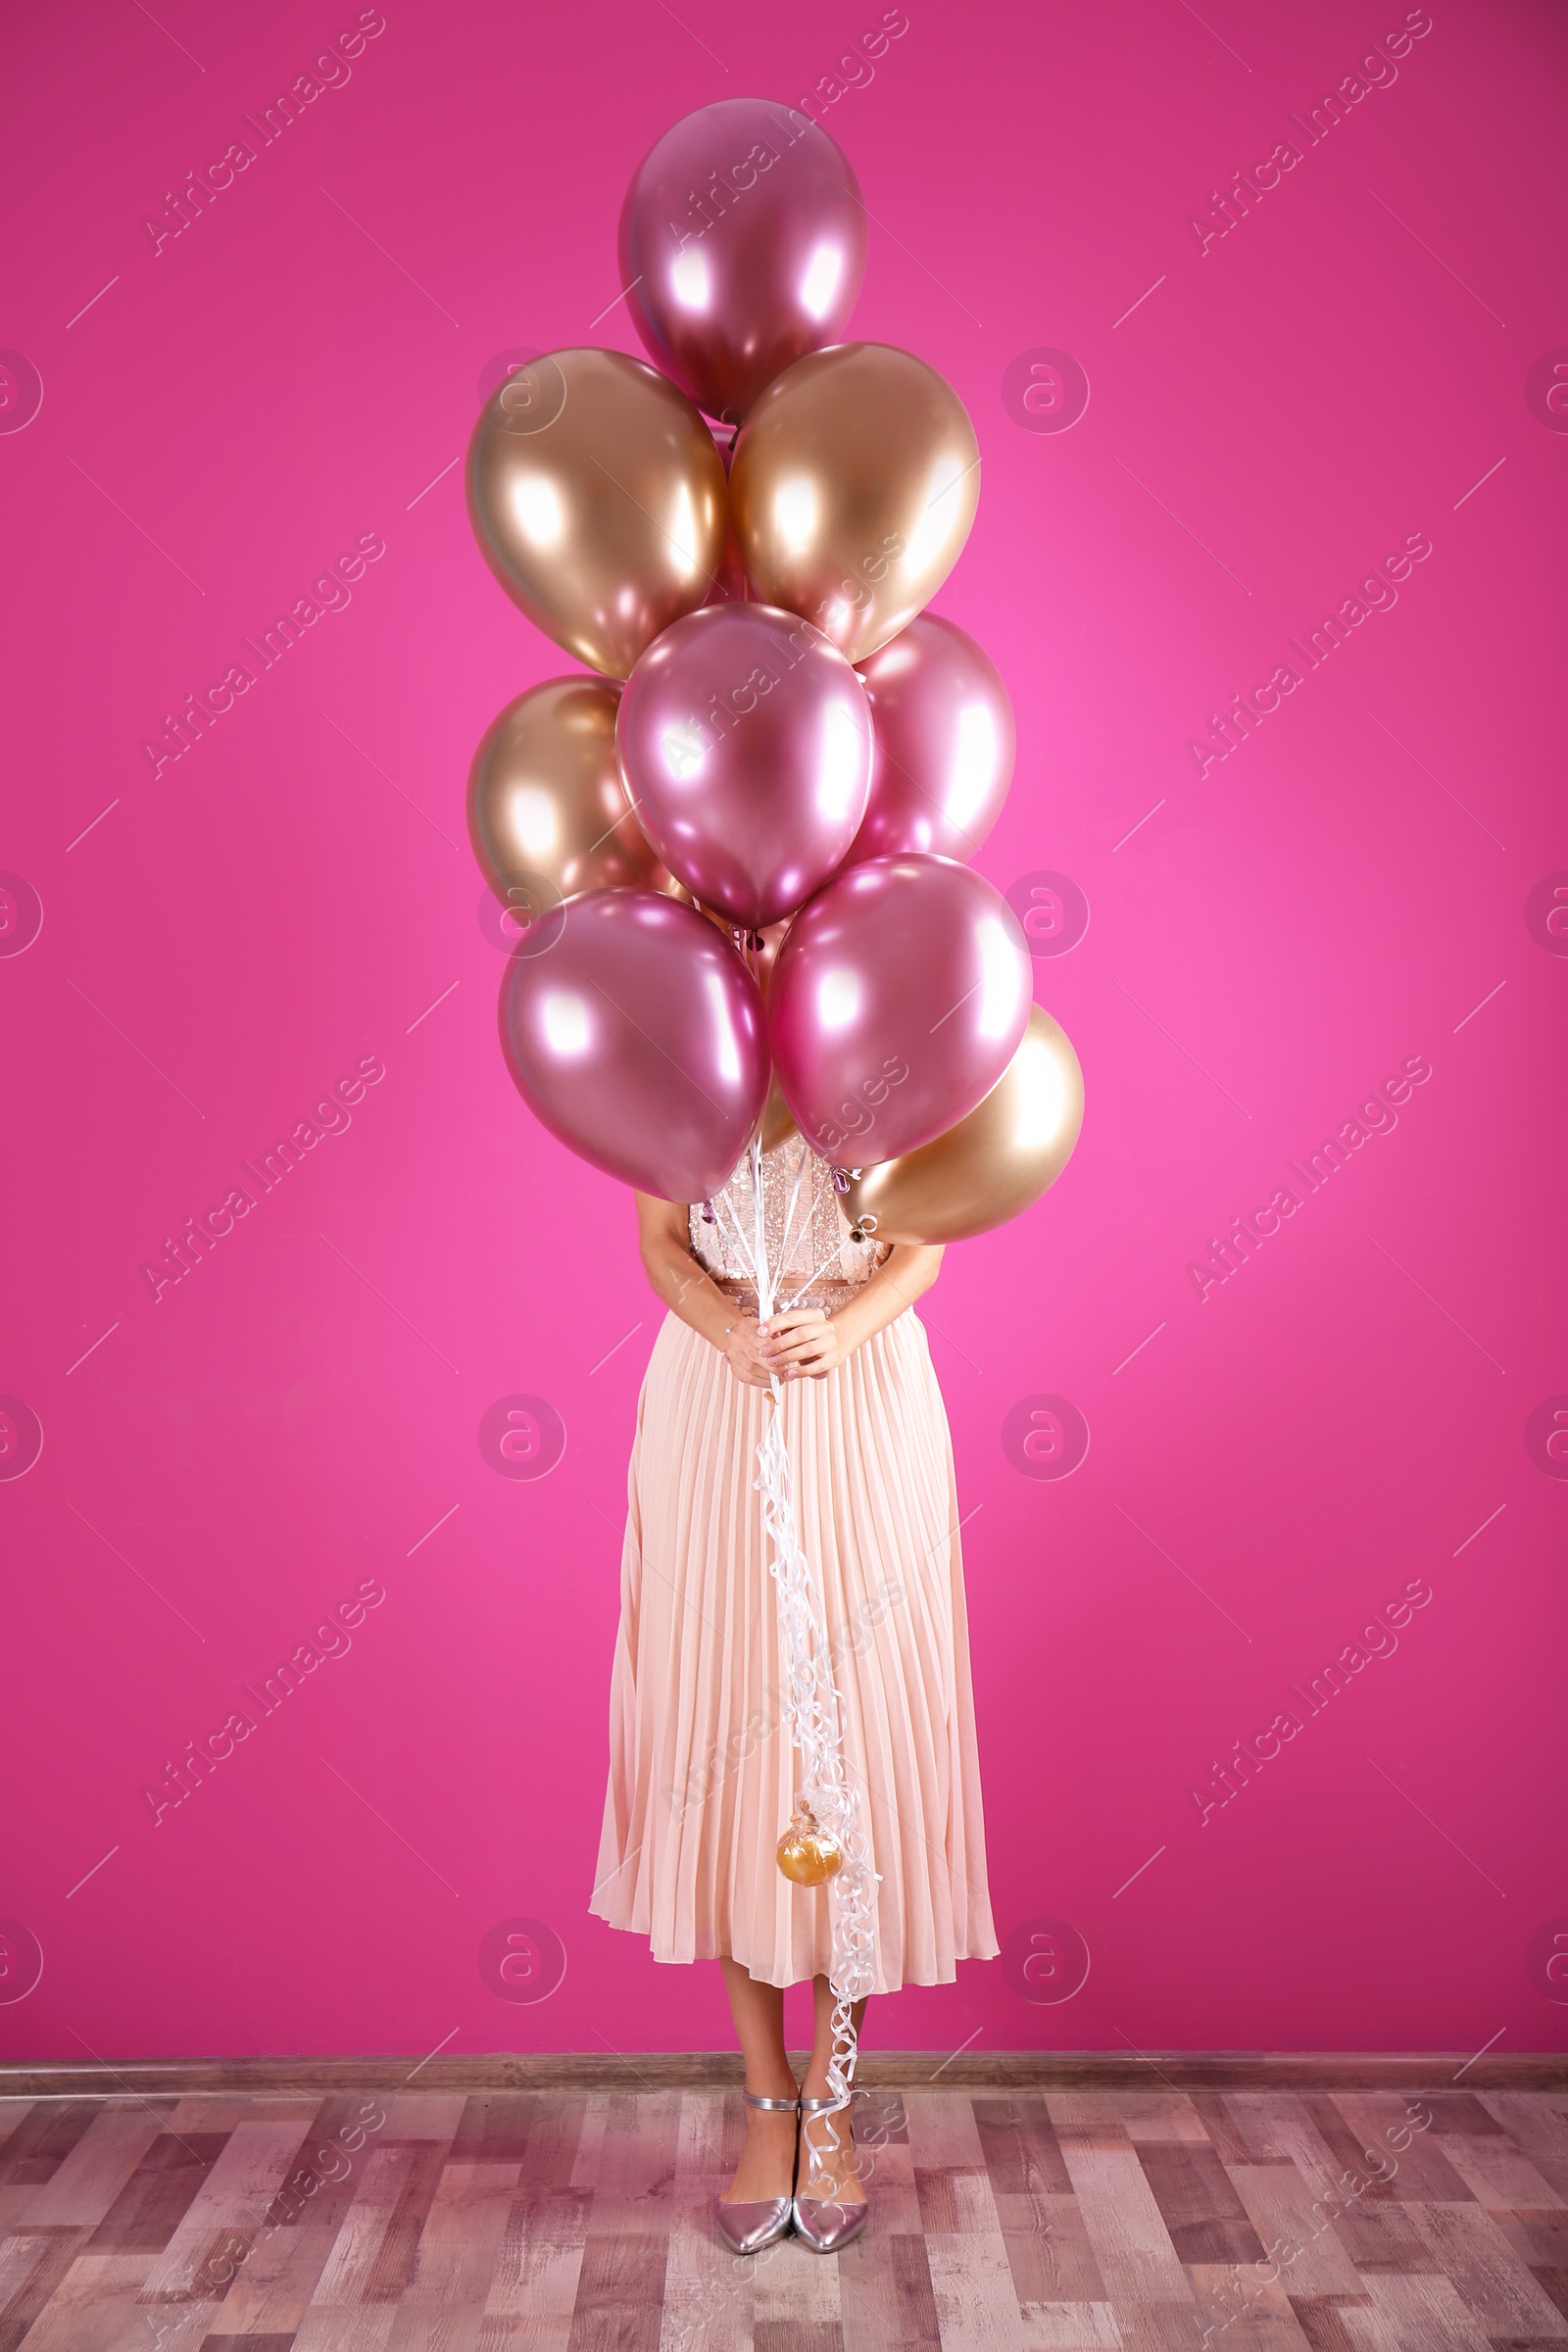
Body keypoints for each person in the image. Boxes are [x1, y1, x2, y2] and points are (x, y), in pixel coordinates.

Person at [590, 1130, 998, 2252]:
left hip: (860, 1395)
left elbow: (922, 1246)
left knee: (858, 1738)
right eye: (740, 930)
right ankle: (767, 2098)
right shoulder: (670, 1049)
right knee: (723, 1731)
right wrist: (725, 1328)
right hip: (715, 1397)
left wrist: (843, 1327)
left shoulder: (883, 1039)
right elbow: (663, 1243)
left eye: (776, 929)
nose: (760, 938)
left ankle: (835, 2099)